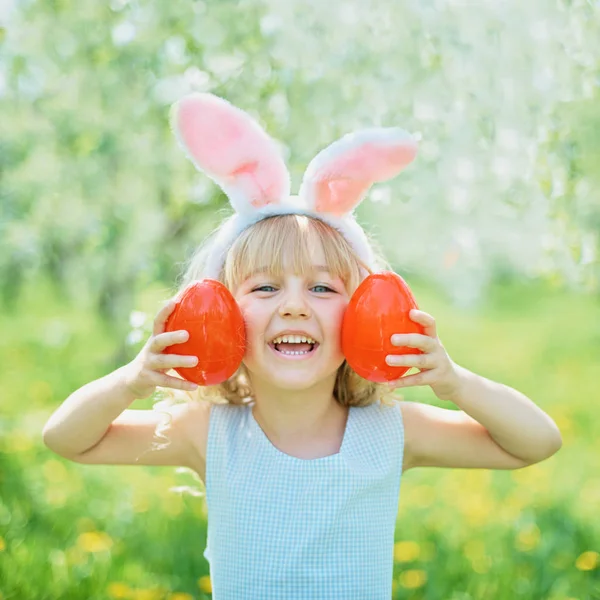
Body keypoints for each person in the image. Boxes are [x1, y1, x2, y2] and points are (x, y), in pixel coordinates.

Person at [43, 93, 563, 600]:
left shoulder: (390, 432)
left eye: (322, 288)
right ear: (225, 317)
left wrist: (454, 382)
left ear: (360, 315)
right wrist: (132, 380)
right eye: (265, 288)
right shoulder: (210, 434)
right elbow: (68, 439)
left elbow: (536, 442)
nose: (294, 307)